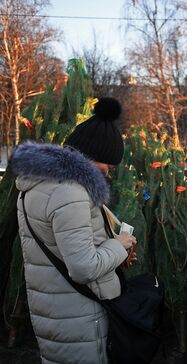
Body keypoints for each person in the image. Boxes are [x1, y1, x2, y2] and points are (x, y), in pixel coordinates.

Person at [9, 97, 137, 364]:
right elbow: (83, 268)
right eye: (108, 166)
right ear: (93, 157)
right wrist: (119, 244)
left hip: (58, 312)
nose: (109, 174)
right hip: (81, 320)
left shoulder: (40, 182)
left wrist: (108, 246)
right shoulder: (70, 192)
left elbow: (60, 244)